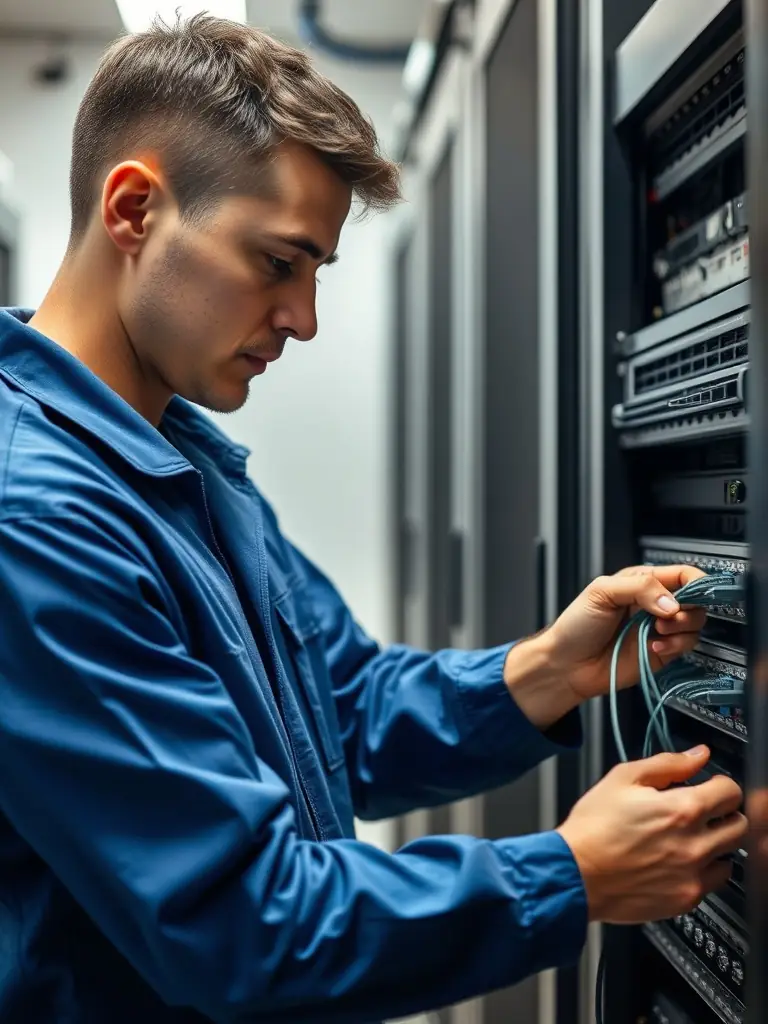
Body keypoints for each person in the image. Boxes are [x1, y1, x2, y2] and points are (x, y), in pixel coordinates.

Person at [0, 15, 746, 1024]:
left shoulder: (178, 458)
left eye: (316, 274)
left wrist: (546, 672)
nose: (303, 318)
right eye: (277, 263)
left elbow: (337, 710)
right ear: (134, 209)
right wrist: (568, 872)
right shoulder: (37, 517)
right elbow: (243, 926)